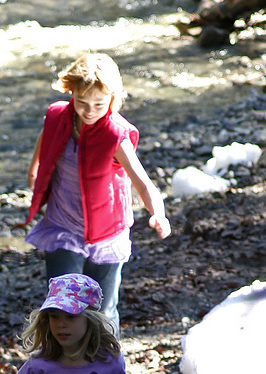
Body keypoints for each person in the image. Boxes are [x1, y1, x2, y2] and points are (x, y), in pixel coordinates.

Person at [22, 52, 171, 336]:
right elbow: (46, 136)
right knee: (62, 307)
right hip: (63, 227)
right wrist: (33, 170)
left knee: (102, 312)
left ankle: (109, 371)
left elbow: (143, 183)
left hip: (107, 234)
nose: (89, 111)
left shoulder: (116, 136)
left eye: (99, 105)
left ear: (113, 99)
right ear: (72, 93)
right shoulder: (59, 116)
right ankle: (63, 369)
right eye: (81, 103)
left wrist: (159, 214)